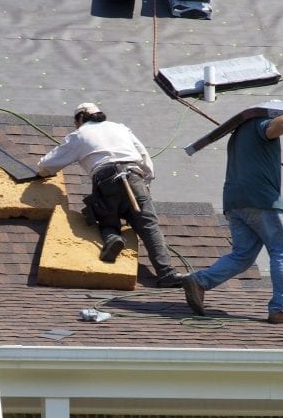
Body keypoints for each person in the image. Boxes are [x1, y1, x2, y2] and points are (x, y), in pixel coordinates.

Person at [182, 103, 283, 323]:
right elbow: (272, 128)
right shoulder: (260, 123)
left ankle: (200, 281)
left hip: (235, 201)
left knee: (243, 256)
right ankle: (281, 308)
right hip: (261, 200)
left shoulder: (239, 134)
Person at [37, 102, 184, 287]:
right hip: (133, 175)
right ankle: (167, 273)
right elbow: (144, 156)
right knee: (148, 225)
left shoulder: (79, 135)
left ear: (80, 118)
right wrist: (147, 182)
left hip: (105, 179)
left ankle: (112, 238)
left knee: (106, 218)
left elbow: (48, 164)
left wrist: (40, 173)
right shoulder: (120, 128)